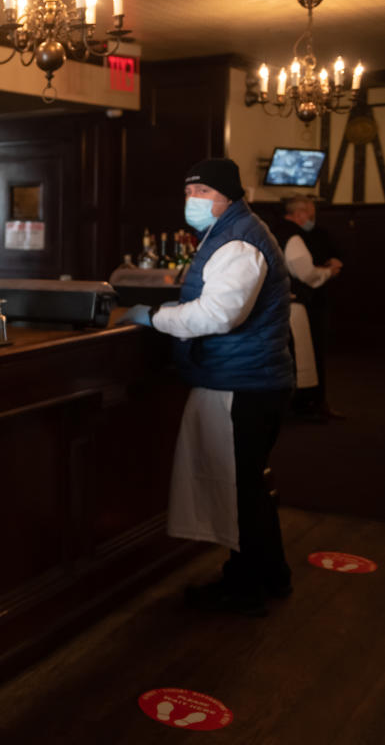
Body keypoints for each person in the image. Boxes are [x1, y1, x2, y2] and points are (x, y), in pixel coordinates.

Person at [119, 158, 293, 617]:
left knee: (240, 490)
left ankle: (246, 588)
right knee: (247, 487)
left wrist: (155, 317)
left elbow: (218, 315)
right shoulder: (232, 231)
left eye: (203, 194)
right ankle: (272, 576)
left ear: (228, 197)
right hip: (247, 378)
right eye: (189, 193)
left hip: (243, 383)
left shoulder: (239, 241)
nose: (193, 202)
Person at [277, 195, 343, 419]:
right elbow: (306, 274)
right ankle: (309, 405)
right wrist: (327, 272)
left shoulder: (273, 231)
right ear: (300, 214)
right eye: (311, 214)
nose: (312, 219)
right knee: (309, 354)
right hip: (303, 303)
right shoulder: (293, 237)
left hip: (281, 303)